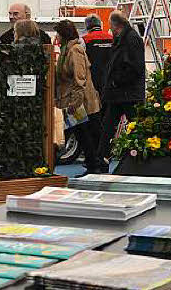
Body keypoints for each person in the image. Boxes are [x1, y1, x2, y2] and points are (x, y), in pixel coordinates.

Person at [96, 10, 145, 163]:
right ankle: (102, 158)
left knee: (129, 127)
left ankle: (141, 158)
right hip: (121, 93)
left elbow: (136, 67)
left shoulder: (130, 39)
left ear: (115, 25)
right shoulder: (125, 38)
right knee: (109, 127)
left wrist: (116, 81)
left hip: (126, 93)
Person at [54, 20, 101, 172]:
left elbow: (80, 77)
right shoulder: (66, 50)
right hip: (71, 98)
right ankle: (93, 165)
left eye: (58, 33)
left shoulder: (74, 50)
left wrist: (75, 102)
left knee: (84, 134)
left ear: (63, 34)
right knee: (82, 133)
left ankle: (93, 166)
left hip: (80, 100)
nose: (56, 37)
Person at [81, 14, 114, 107]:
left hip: (93, 80)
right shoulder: (112, 38)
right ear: (100, 24)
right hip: (110, 79)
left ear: (87, 26)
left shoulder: (85, 40)